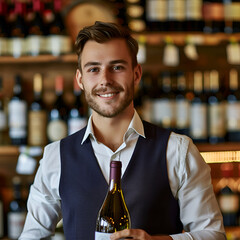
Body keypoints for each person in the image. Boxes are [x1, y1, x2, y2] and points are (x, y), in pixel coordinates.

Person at [19, 21, 226, 240]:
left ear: (136, 74)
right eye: (94, 69)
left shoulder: (178, 150)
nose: (105, 80)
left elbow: (213, 235)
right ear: (80, 79)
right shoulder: (56, 156)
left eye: (117, 67)